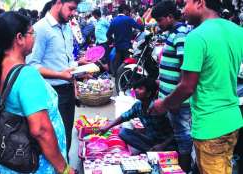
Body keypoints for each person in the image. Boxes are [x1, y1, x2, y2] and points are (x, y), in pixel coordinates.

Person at [149, 0, 243, 173]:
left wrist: (163, 104)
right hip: (232, 120)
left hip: (210, 126)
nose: (183, 10)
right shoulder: (237, 31)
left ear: (200, 3)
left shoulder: (196, 36)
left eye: (186, 4)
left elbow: (187, 86)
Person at [0, 11, 75, 174]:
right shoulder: (27, 76)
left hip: (7, 158)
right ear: (19, 38)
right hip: (33, 162)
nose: (34, 37)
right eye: (31, 33)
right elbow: (40, 129)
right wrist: (64, 168)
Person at [26, 0, 81, 156]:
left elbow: (66, 60)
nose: (73, 13)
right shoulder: (41, 29)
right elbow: (32, 65)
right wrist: (60, 75)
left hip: (67, 90)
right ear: (58, 3)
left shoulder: (66, 28)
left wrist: (79, 67)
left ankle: (66, 166)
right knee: (54, 139)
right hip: (51, 92)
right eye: (71, 8)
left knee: (67, 135)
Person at [151, 1, 192, 172]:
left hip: (177, 102)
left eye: (160, 20)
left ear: (169, 17)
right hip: (171, 99)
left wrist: (174, 99)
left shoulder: (181, 34)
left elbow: (184, 69)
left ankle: (184, 169)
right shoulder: (173, 33)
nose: (158, 24)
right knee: (178, 135)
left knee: (183, 139)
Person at [99, 78, 176, 153]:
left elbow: (175, 132)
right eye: (136, 88)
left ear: (148, 93)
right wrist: (108, 126)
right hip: (152, 140)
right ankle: (151, 151)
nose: (136, 90)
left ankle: (154, 151)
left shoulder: (159, 107)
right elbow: (124, 116)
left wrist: (162, 145)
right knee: (123, 132)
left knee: (169, 146)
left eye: (140, 89)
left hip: (167, 143)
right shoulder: (138, 106)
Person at [106, 4, 144, 75]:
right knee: (128, 65)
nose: (129, 13)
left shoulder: (114, 20)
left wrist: (113, 40)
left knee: (118, 64)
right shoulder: (128, 19)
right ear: (125, 11)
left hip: (117, 47)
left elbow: (108, 34)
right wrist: (142, 25)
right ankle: (127, 79)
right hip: (127, 47)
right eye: (128, 12)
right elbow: (140, 28)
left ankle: (118, 78)